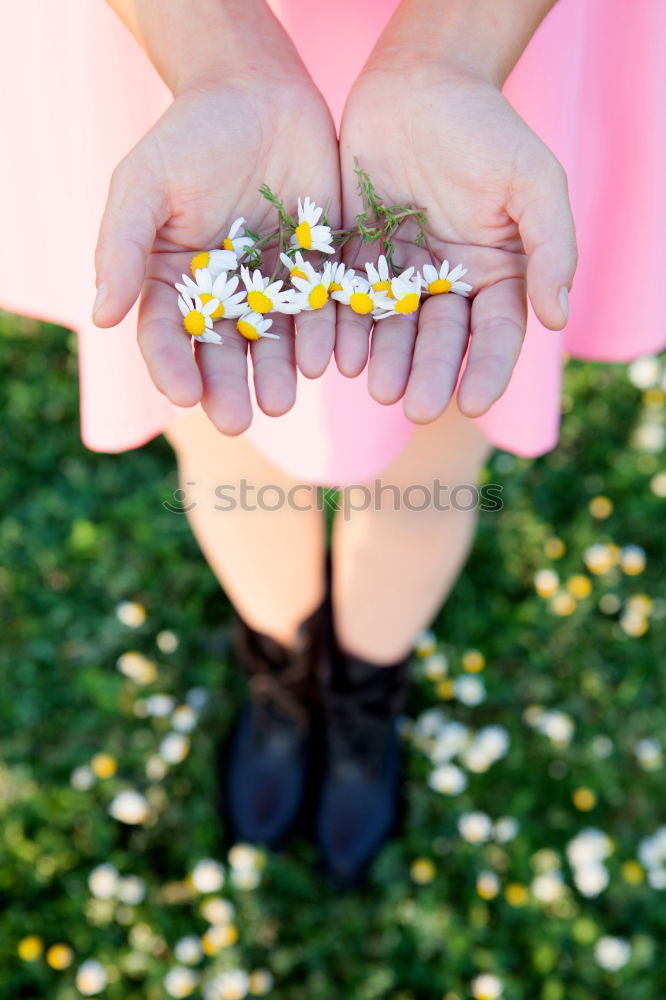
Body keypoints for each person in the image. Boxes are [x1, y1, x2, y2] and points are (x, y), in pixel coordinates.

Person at [1, 0, 664, 885]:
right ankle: (282, 669)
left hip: (497, 38)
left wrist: (450, 53)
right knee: (219, 397)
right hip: (179, 45)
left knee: (441, 417)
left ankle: (365, 686)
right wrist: (217, 55)